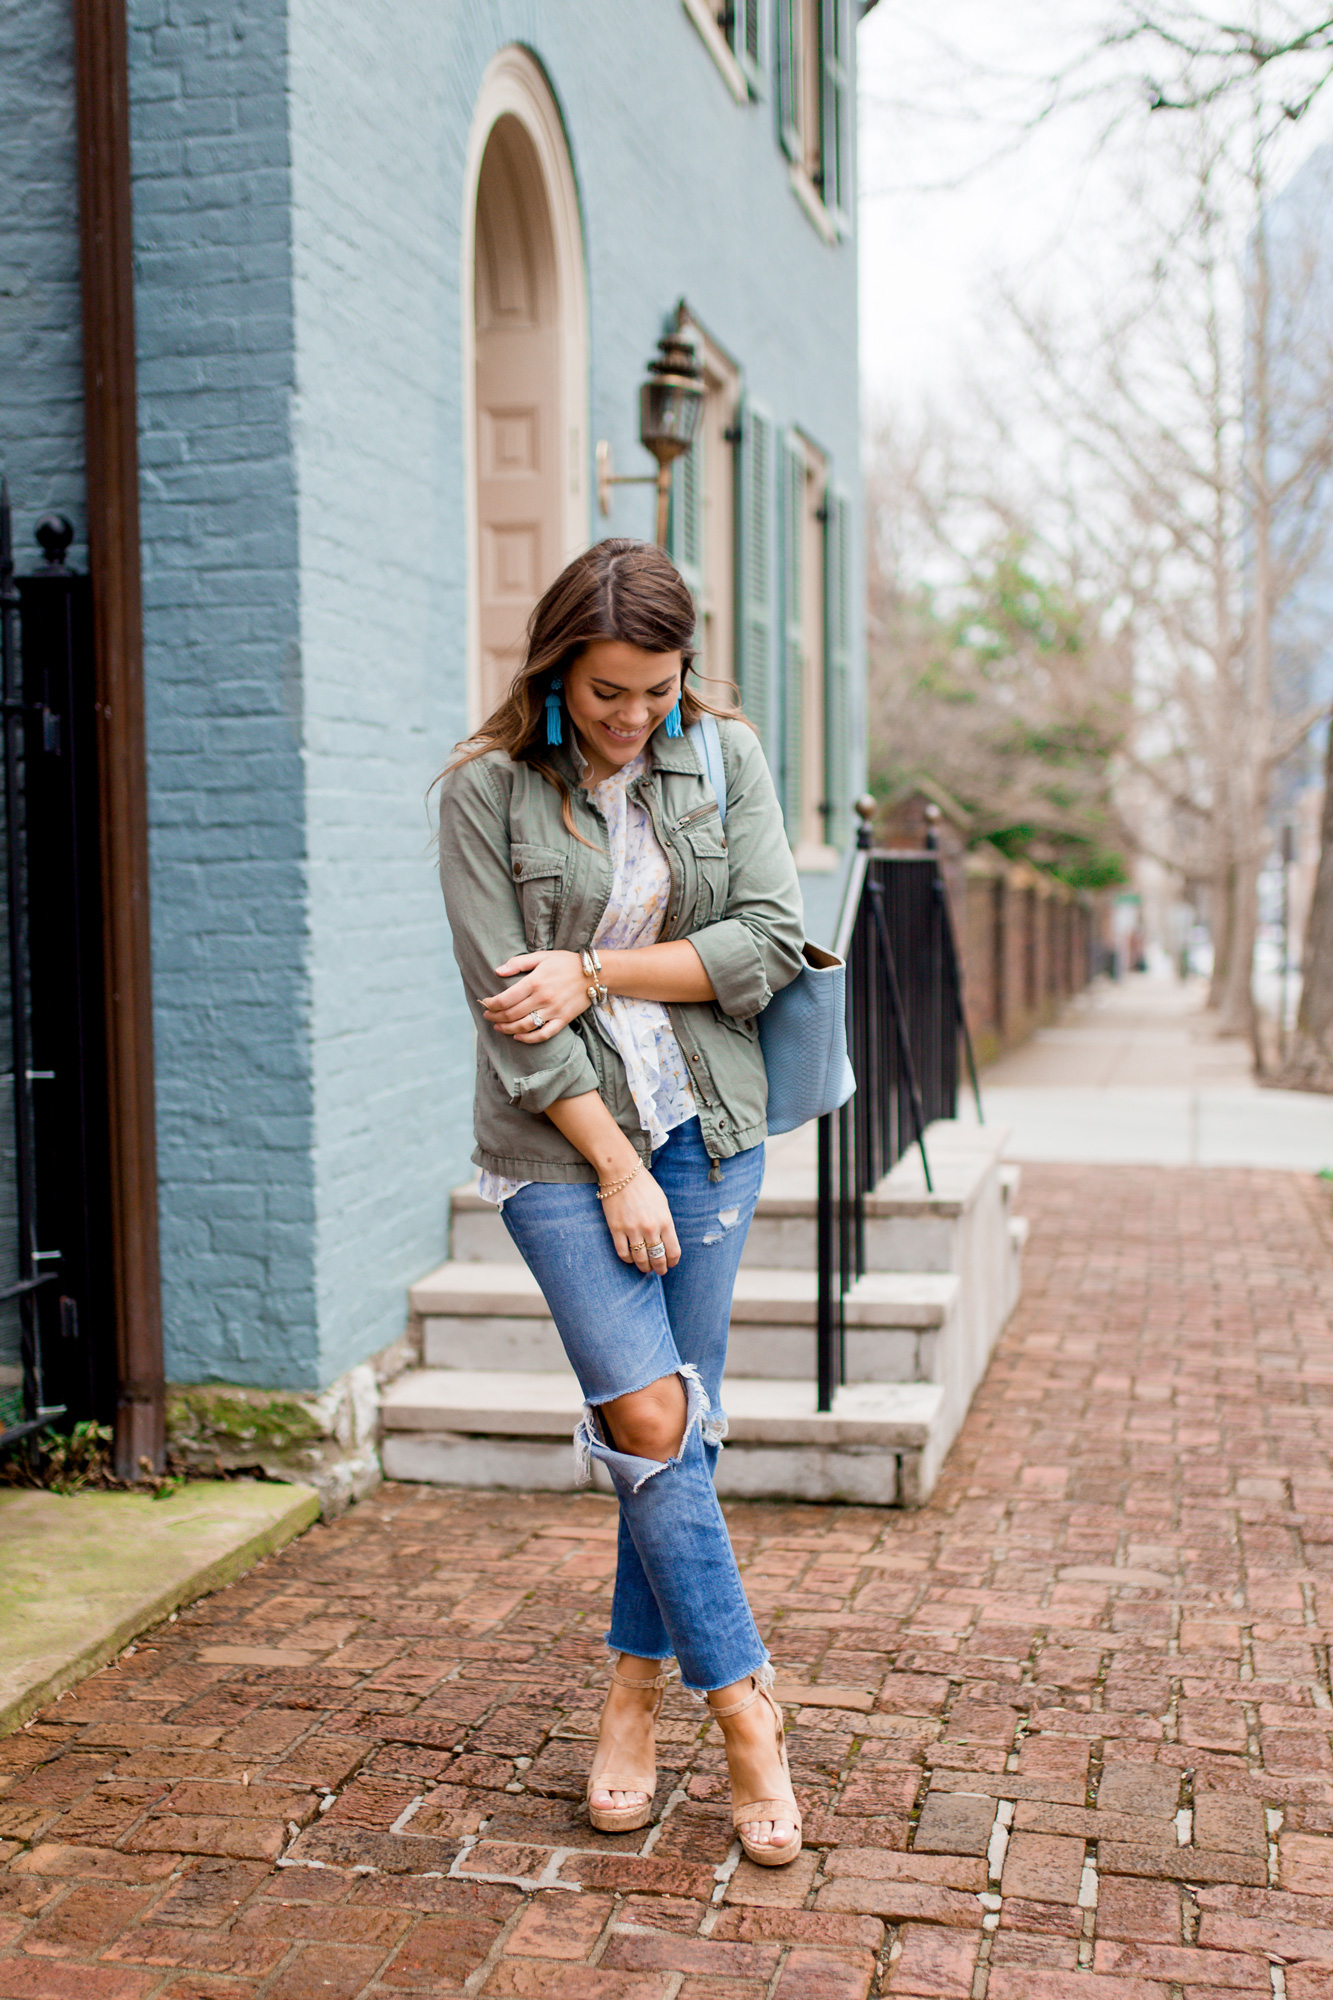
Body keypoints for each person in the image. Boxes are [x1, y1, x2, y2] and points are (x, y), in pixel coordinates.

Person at [436, 538, 807, 1866]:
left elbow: (767, 940)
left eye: (656, 688)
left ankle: (630, 1700)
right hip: (562, 1153)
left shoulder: (723, 759)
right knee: (647, 1412)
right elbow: (513, 1025)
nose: (634, 716)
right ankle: (745, 1710)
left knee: (672, 1447)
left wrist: (593, 970)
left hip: (712, 1126)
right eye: (606, 693)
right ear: (555, 672)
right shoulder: (487, 791)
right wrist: (613, 1166)